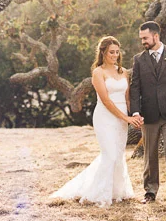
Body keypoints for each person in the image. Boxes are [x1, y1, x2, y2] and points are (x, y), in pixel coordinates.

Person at [50, 36, 138, 207]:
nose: (114, 55)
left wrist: (133, 115)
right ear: (103, 52)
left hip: (122, 119)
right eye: (111, 52)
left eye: (117, 52)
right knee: (110, 155)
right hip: (105, 117)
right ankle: (99, 194)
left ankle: (117, 191)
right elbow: (106, 101)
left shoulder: (124, 72)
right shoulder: (98, 72)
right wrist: (125, 117)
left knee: (118, 155)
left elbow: (127, 98)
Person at [129, 21, 166, 207]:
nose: (143, 42)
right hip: (149, 115)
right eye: (141, 39)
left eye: (145, 38)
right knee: (150, 153)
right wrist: (136, 111)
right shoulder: (139, 60)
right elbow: (135, 87)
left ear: (156, 36)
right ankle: (150, 191)